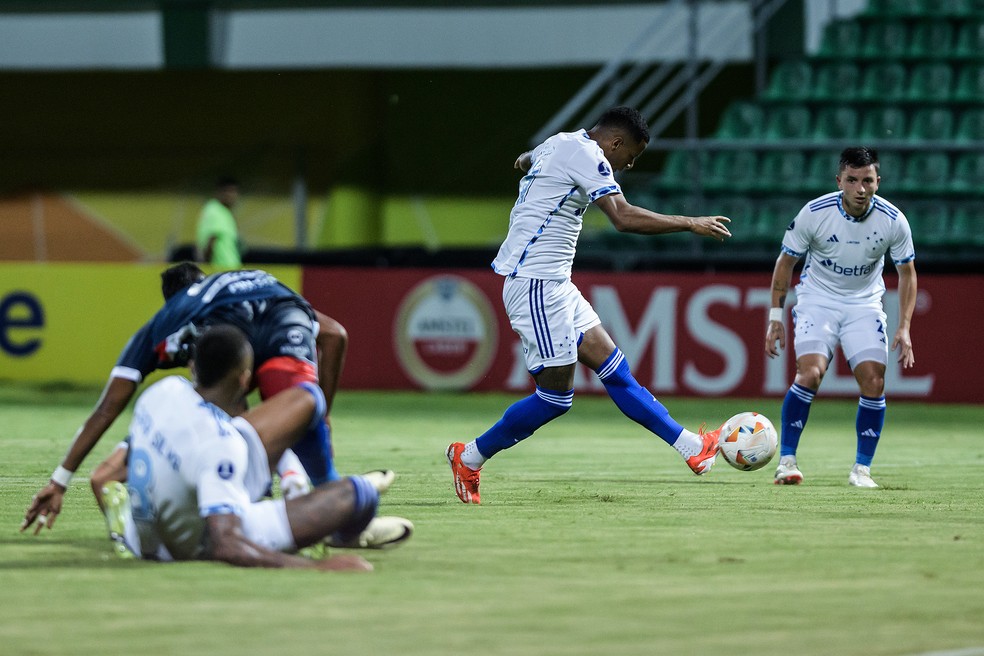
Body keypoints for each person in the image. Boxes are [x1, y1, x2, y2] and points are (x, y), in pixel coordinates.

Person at [445, 106, 733, 504]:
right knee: (554, 399)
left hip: (555, 285)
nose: (628, 165)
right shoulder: (587, 155)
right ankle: (469, 456)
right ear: (614, 142)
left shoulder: (559, 143)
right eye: (630, 156)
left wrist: (527, 161)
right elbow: (624, 218)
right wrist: (689, 222)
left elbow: (529, 157)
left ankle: (691, 448)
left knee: (615, 369)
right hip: (535, 285)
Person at [21, 264, 372, 535]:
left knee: (213, 409)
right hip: (286, 311)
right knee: (293, 405)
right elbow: (335, 335)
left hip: (235, 334)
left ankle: (124, 484)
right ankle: (317, 499)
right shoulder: (237, 287)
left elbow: (107, 408)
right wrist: (319, 418)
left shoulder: (169, 320)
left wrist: (59, 481)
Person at [110, 324, 406, 568]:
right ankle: (340, 535)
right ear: (244, 379)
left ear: (192, 367)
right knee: (359, 494)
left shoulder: (163, 391)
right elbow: (227, 543)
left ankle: (295, 483)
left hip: (145, 530)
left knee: (307, 398)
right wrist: (316, 568)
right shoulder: (220, 445)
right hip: (192, 543)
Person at [765, 146, 917, 488]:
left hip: (864, 304)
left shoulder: (894, 220)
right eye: (852, 180)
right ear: (840, 181)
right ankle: (787, 461)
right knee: (810, 373)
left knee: (874, 381)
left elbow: (907, 272)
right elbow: (785, 263)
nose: (860, 189)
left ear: (878, 181)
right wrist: (776, 315)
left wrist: (905, 326)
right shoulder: (815, 213)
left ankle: (861, 470)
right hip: (818, 300)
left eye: (867, 180)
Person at [196, 176, 243, 269]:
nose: (231, 195)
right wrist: (207, 267)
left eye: (234, 191)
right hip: (221, 270)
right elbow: (211, 239)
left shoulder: (221, 211)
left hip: (226, 270)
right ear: (219, 192)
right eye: (227, 191)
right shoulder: (216, 210)